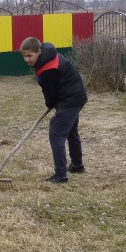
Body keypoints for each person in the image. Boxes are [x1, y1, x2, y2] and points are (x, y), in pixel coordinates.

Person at [19, 37, 88, 184]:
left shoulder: (48, 68)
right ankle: (77, 165)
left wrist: (50, 103)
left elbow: (50, 93)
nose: (26, 59)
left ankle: (60, 174)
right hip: (74, 96)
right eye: (24, 56)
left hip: (71, 99)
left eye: (30, 55)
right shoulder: (47, 55)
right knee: (71, 131)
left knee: (56, 133)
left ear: (39, 51)